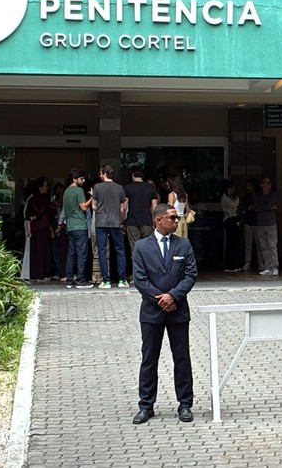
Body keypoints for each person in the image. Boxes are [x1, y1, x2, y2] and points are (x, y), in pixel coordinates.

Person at [131, 203, 198, 425]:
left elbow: (190, 275)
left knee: (182, 358)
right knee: (149, 359)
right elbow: (140, 280)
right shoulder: (141, 246)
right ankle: (146, 405)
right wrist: (160, 299)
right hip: (151, 312)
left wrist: (174, 296)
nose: (176, 221)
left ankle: (185, 404)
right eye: (172, 218)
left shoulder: (184, 245)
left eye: (177, 218)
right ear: (158, 220)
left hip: (178, 311)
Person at [92, 165, 127, 289]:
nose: (100, 175)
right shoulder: (119, 188)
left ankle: (106, 281)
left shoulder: (97, 187)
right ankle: (122, 280)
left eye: (101, 173)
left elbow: (94, 206)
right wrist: (120, 219)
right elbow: (123, 208)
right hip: (115, 222)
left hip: (101, 222)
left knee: (101, 250)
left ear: (104, 173)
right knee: (120, 250)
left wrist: (100, 208)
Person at [123, 167, 159, 277]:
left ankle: (136, 276)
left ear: (133, 175)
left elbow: (124, 207)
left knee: (135, 250)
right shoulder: (151, 188)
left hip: (132, 221)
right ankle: (149, 275)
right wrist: (154, 222)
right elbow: (154, 208)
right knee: (148, 249)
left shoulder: (127, 188)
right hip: (147, 221)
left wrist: (122, 221)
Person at [63, 169, 93, 289]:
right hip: (80, 225)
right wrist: (92, 197)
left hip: (70, 226)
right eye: (81, 178)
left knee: (71, 253)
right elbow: (84, 207)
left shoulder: (66, 192)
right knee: (82, 253)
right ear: (74, 179)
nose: (84, 180)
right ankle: (81, 279)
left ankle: (69, 279)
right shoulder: (79, 190)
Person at [25, 177, 53, 281]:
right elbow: (44, 213)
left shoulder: (31, 199)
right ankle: (42, 274)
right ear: (40, 188)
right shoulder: (44, 199)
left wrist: (33, 218)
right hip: (42, 227)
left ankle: (34, 273)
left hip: (34, 227)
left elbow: (28, 214)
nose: (47, 188)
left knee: (35, 251)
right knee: (43, 251)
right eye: (46, 186)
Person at [252, 176, 279, 276]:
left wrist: (262, 207)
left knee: (272, 246)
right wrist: (268, 208)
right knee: (263, 246)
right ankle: (268, 266)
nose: (268, 185)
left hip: (271, 223)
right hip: (260, 223)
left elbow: (264, 206)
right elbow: (257, 207)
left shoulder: (272, 194)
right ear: (261, 184)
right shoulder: (259, 195)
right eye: (266, 183)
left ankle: (274, 266)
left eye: (269, 183)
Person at [220, 179, 242, 272]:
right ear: (229, 188)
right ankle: (228, 265)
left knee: (235, 244)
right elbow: (234, 205)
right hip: (229, 221)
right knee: (230, 243)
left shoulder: (229, 197)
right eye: (233, 187)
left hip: (234, 221)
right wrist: (238, 198)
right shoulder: (225, 197)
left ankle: (234, 264)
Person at [50, 181, 67, 280]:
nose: (59, 190)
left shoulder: (66, 199)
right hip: (55, 223)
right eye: (57, 189)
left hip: (64, 225)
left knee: (64, 249)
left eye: (61, 188)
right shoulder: (53, 200)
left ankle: (64, 271)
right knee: (55, 249)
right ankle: (58, 271)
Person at [241, 178, 258, 272]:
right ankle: (247, 263)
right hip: (248, 222)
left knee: (259, 245)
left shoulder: (258, 196)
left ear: (253, 187)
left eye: (249, 186)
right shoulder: (246, 197)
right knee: (248, 244)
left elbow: (258, 206)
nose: (247, 188)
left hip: (257, 223)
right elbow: (244, 208)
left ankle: (261, 263)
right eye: (246, 186)